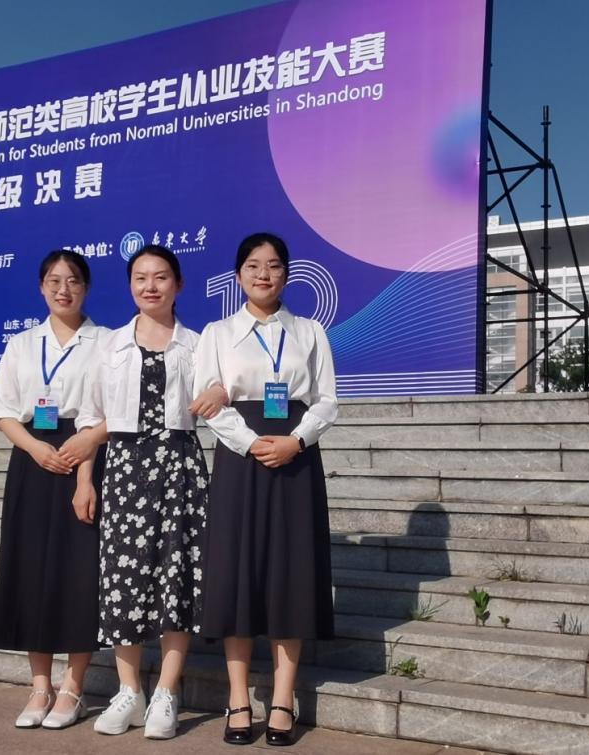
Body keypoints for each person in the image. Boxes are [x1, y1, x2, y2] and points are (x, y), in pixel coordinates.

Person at [194, 232, 338, 747]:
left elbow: (326, 400)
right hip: (240, 460)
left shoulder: (310, 331)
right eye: (254, 265)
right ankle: (237, 698)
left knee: (290, 573)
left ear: (286, 274)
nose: (264, 274)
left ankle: (282, 698)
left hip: (296, 459)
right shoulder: (217, 333)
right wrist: (253, 443)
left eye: (274, 265)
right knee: (236, 572)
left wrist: (295, 441)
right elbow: (206, 400)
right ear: (238, 275)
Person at [75, 244, 221, 740]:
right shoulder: (109, 346)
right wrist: (84, 480)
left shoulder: (198, 345)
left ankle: (166, 692)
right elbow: (91, 417)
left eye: (160, 277)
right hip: (124, 468)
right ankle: (129, 690)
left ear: (178, 284)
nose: (150, 286)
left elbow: (219, 395)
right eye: (140, 277)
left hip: (180, 466)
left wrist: (218, 392)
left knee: (178, 575)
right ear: (130, 285)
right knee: (124, 578)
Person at [0, 250, 109, 730]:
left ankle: (73, 687)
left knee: (80, 573)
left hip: (85, 454)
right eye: (54, 281)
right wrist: (35, 448)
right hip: (33, 459)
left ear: (86, 287)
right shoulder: (22, 344)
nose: (63, 289)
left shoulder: (106, 342)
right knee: (30, 570)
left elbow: (109, 409)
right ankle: (40, 686)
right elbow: (3, 411)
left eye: (73, 280)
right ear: (41, 287)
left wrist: (84, 468)